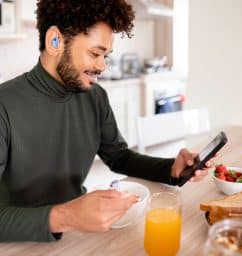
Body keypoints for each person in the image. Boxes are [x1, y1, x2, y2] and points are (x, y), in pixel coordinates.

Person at [0, 0, 212, 242]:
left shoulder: (95, 97)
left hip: (77, 236)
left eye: (106, 56)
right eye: (95, 53)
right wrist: (65, 216)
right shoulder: (4, 106)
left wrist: (170, 169)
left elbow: (119, 156)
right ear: (55, 41)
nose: (102, 66)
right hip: (16, 243)